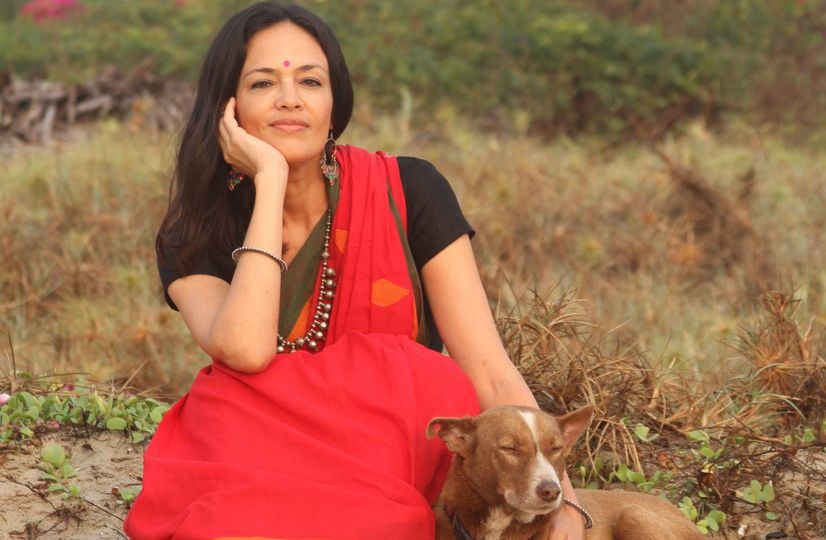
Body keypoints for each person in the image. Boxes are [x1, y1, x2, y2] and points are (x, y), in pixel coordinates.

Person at [124, 2, 588, 539]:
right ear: (226, 107)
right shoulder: (194, 232)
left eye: (311, 81)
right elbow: (246, 352)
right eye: (262, 83)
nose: (290, 99)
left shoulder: (407, 191)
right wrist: (270, 182)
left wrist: (568, 508)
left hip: (395, 450)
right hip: (267, 452)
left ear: (334, 101)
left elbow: (487, 368)